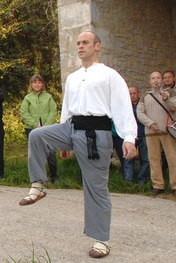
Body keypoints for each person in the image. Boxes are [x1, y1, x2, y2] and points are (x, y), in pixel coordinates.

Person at [18, 31, 137, 259]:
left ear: (97, 46)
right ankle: (38, 184)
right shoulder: (73, 77)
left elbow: (123, 107)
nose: (80, 46)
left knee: (96, 188)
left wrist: (129, 137)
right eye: (78, 43)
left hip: (97, 134)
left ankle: (101, 241)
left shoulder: (110, 75)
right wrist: (64, 143)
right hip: (71, 129)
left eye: (85, 43)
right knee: (37, 135)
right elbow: (67, 109)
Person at [137, 71, 176, 195]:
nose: (156, 80)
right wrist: (150, 123)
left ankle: (175, 186)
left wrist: (167, 100)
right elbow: (139, 113)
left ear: (162, 80)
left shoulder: (170, 92)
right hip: (151, 131)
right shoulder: (145, 95)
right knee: (154, 159)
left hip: (167, 131)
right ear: (150, 81)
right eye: (153, 78)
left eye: (158, 78)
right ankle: (158, 185)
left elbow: (174, 107)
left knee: (173, 159)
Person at [20, 74, 58, 184]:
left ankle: (54, 177)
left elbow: (53, 111)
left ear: (42, 84)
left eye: (39, 82)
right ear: (31, 84)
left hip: (48, 128)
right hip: (32, 129)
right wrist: (34, 124)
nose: (37, 84)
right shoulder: (27, 98)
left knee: (50, 152)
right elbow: (24, 113)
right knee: (35, 153)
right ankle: (38, 178)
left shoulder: (48, 97)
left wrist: (47, 125)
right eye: (34, 82)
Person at [122, 86, 149, 184]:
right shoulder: (124, 106)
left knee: (145, 158)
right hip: (130, 136)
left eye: (134, 93)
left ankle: (142, 180)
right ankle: (128, 180)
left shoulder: (143, 105)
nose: (132, 96)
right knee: (128, 158)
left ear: (138, 94)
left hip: (142, 133)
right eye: (130, 93)